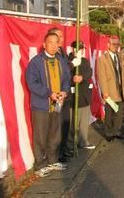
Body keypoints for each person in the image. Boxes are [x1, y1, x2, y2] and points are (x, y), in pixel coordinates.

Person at [26, 32, 70, 178]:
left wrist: (64, 91)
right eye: (50, 42)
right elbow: (32, 83)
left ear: (59, 45)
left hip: (58, 104)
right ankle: (40, 165)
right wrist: (48, 93)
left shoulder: (61, 61)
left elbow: (66, 79)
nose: (53, 46)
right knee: (40, 136)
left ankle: (52, 160)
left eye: (55, 43)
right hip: (41, 106)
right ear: (44, 44)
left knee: (55, 135)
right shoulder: (36, 62)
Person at [64, 41, 95, 157]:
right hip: (73, 96)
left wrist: (82, 77)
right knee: (73, 122)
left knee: (84, 121)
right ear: (72, 49)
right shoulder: (69, 61)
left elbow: (89, 72)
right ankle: (71, 144)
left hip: (84, 95)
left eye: (81, 48)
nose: (79, 50)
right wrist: (73, 78)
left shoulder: (85, 61)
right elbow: (65, 75)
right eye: (77, 48)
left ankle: (83, 141)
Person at [97, 37, 124, 142]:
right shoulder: (102, 59)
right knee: (109, 113)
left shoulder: (120, 56)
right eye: (113, 44)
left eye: (117, 44)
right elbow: (102, 76)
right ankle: (109, 133)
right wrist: (104, 91)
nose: (115, 46)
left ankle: (117, 131)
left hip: (120, 88)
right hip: (109, 89)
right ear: (108, 45)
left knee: (119, 113)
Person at [47, 27, 70, 162]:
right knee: (56, 124)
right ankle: (56, 153)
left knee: (65, 122)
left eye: (61, 37)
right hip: (55, 96)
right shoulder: (52, 55)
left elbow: (66, 74)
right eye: (58, 37)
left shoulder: (63, 52)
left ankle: (64, 148)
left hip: (64, 94)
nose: (61, 39)